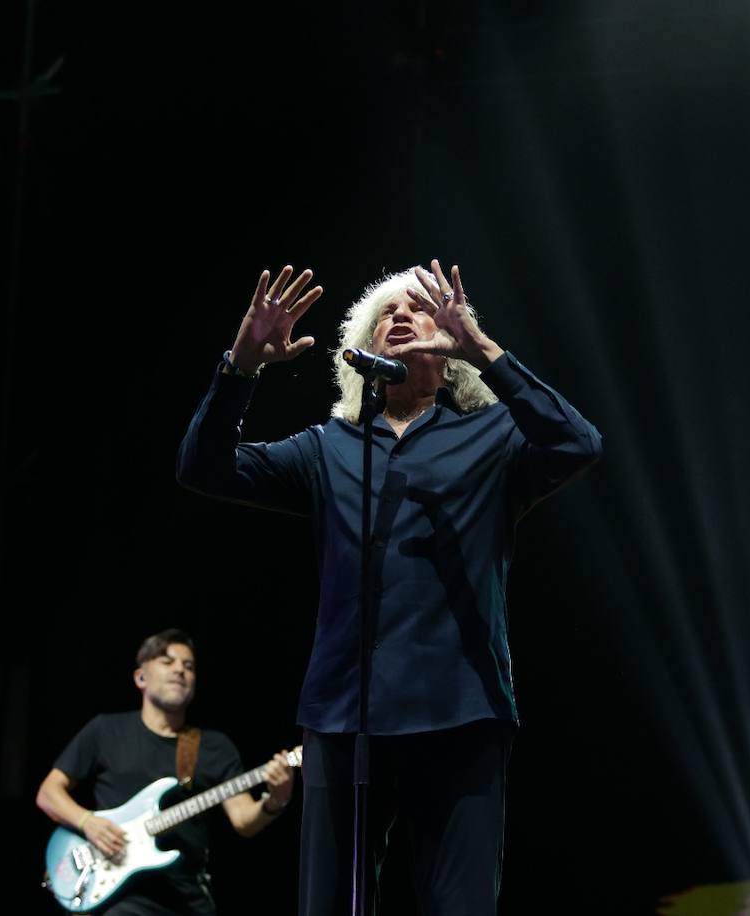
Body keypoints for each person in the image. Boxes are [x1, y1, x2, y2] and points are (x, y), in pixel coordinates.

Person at [176, 259, 602, 914]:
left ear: (449, 345)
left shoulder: (491, 439)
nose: (399, 317)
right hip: (344, 716)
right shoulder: (330, 448)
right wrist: (241, 367)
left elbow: (578, 443)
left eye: (418, 309)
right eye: (384, 315)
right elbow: (205, 469)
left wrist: (485, 351)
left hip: (460, 712)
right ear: (362, 350)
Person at [36, 629, 297, 914]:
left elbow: (244, 820)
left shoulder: (214, 747)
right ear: (140, 677)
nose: (179, 670)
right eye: (167, 661)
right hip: (118, 898)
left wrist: (276, 800)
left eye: (188, 666)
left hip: (187, 898)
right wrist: (88, 822)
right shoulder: (105, 731)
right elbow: (48, 794)